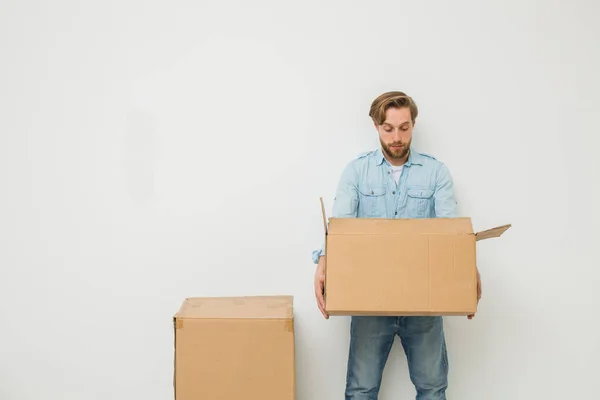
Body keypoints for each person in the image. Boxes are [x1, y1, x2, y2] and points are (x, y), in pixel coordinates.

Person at [311, 91, 482, 400]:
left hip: (423, 300)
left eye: (404, 127)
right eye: (388, 128)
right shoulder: (356, 172)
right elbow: (340, 231)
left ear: (413, 125)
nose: (397, 137)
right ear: (377, 127)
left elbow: (451, 236)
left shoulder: (436, 173)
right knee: (361, 390)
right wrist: (324, 261)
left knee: (432, 389)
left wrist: (468, 273)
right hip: (369, 300)